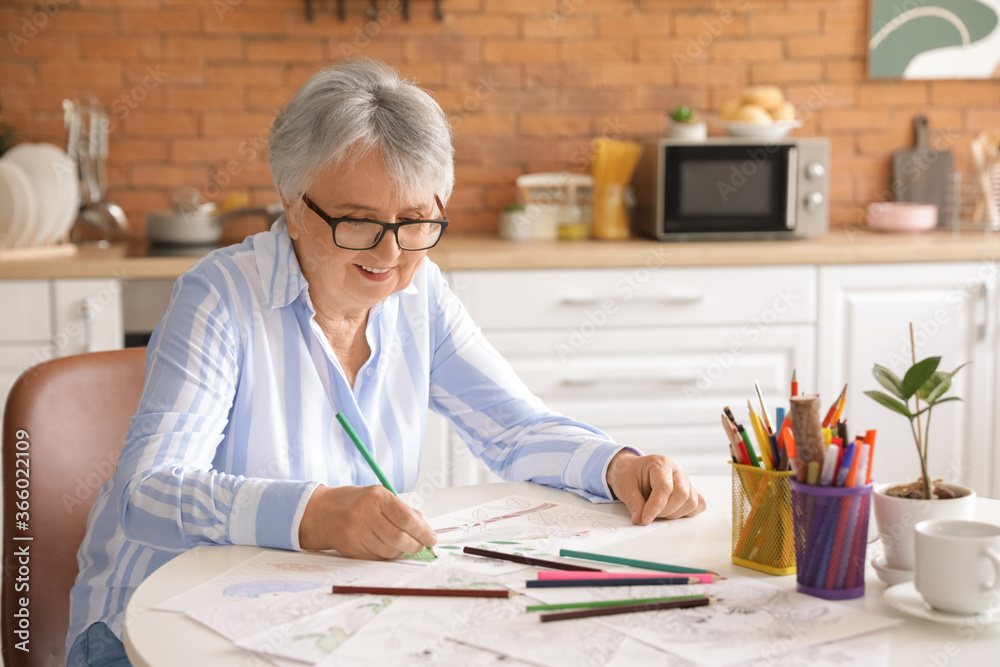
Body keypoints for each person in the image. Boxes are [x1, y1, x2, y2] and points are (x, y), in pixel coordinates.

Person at [67, 58, 705, 662]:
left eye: (415, 221)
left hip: (315, 617)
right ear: (292, 206)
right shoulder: (222, 296)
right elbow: (147, 493)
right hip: (154, 627)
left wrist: (617, 466)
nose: (390, 252)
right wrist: (313, 515)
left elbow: (514, 429)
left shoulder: (419, 293)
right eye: (357, 220)